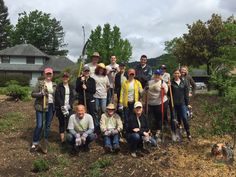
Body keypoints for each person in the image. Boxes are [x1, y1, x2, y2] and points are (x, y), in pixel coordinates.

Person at [30, 67, 56, 152]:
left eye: (50, 73)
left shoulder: (54, 84)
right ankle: (35, 142)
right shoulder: (40, 83)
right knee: (39, 125)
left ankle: (44, 141)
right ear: (44, 74)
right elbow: (33, 94)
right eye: (47, 73)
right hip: (41, 106)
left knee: (47, 125)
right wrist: (40, 94)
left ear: (52, 75)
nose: (48, 75)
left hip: (51, 106)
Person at [170, 69, 191, 141]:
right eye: (175, 73)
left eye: (178, 73)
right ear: (173, 74)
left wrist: (187, 104)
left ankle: (188, 133)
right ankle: (174, 134)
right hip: (173, 104)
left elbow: (186, 94)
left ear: (180, 74)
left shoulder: (183, 82)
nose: (176, 74)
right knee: (174, 119)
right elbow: (168, 94)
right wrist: (168, 87)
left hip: (182, 104)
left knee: (184, 118)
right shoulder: (171, 83)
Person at [147, 69, 168, 140]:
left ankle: (158, 130)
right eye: (156, 74)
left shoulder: (162, 83)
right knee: (149, 118)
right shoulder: (149, 82)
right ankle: (149, 131)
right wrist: (145, 89)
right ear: (154, 75)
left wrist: (164, 90)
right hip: (150, 103)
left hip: (159, 103)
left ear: (160, 75)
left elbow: (166, 93)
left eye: (158, 75)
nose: (157, 76)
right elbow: (144, 91)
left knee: (159, 117)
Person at [55, 72, 74, 145]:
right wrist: (63, 107)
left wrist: (69, 105)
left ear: (68, 78)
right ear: (62, 78)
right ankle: (62, 140)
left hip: (69, 107)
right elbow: (57, 97)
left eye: (66, 77)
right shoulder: (59, 86)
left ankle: (69, 138)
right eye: (64, 77)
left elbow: (73, 96)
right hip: (61, 108)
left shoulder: (71, 86)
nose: (65, 78)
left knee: (69, 122)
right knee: (62, 123)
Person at [93, 63, 110, 129]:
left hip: (103, 96)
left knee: (103, 110)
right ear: (98, 68)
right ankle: (97, 125)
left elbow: (108, 85)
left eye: (102, 69)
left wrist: (106, 90)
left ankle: (103, 124)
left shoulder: (105, 77)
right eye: (100, 68)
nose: (101, 70)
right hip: (96, 95)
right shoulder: (94, 76)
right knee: (96, 110)